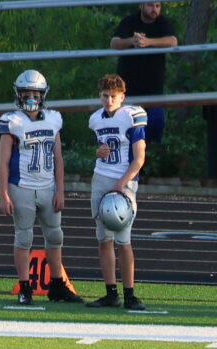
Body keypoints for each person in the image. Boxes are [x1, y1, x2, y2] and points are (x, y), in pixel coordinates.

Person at [1, 71, 77, 306]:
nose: (31, 97)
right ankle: (25, 287)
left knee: (55, 236)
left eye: (35, 93)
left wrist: (61, 190)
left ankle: (57, 285)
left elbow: (58, 158)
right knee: (24, 237)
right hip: (22, 186)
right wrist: (3, 193)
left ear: (43, 95)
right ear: (18, 94)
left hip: (48, 187)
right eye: (26, 93)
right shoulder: (12, 121)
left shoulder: (53, 119)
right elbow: (3, 162)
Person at [89, 77, 148, 311]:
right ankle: (111, 294)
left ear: (122, 96)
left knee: (124, 240)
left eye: (113, 96)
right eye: (105, 95)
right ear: (100, 95)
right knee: (104, 239)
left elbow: (139, 159)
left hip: (124, 182)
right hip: (101, 179)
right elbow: (101, 149)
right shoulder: (95, 119)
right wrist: (98, 152)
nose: (109, 100)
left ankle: (130, 294)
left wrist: (120, 185)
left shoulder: (132, 116)